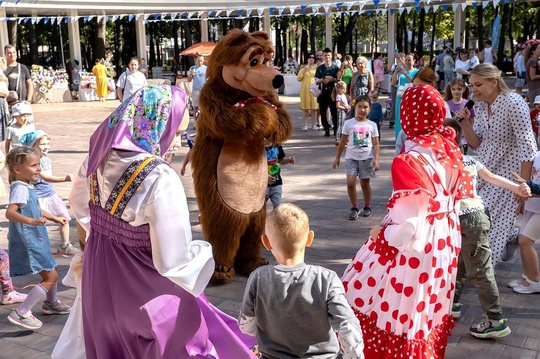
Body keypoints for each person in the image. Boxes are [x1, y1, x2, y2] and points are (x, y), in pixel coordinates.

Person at [68, 84, 256, 358]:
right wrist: (206, 254)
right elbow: (174, 261)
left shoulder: (98, 157)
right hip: (147, 292)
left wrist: (109, 235)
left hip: (100, 282)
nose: (178, 142)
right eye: (177, 133)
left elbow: (79, 204)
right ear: (153, 123)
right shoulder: (159, 177)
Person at [342, 84, 471, 358]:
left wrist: (381, 235)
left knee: (392, 305)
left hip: (416, 246)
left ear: (408, 116)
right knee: (425, 310)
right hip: (444, 241)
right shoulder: (449, 150)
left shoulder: (410, 160)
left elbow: (409, 226)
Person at [238, 203, 365, 359]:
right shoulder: (326, 278)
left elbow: (246, 326)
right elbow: (348, 326)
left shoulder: (258, 278)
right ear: (309, 238)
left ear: (266, 242)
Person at [445, 118, 528, 338]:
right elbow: (492, 178)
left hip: (468, 219)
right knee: (461, 263)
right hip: (474, 218)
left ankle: (496, 321)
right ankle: (451, 304)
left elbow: (492, 178)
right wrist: (518, 188)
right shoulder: (468, 161)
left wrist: (520, 188)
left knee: (479, 271)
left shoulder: (443, 163)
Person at [458, 63, 537, 266]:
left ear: (494, 82)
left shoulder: (514, 102)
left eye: (478, 84)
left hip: (508, 173)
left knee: (491, 224)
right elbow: (477, 144)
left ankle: (482, 274)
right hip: (484, 170)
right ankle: (509, 237)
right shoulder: (482, 106)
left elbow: (527, 145)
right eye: (472, 84)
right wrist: (466, 124)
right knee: (475, 217)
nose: (473, 89)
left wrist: (522, 183)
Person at [5, 146, 71, 330]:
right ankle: (22, 312)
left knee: (52, 268)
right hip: (30, 239)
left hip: (36, 237)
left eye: (39, 165)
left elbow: (34, 207)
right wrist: (31, 221)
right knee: (51, 276)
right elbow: (10, 213)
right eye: (34, 165)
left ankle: (51, 303)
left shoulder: (26, 186)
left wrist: (54, 217)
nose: (39, 169)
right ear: (18, 170)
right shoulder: (20, 188)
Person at [20, 130, 80, 255]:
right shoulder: (33, 161)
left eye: (48, 143)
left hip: (51, 194)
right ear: (32, 146)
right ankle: (32, 246)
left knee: (64, 218)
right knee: (37, 223)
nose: (46, 146)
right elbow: (46, 177)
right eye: (42, 144)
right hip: (39, 197)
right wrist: (65, 178)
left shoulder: (46, 159)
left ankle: (65, 245)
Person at [333, 95, 379, 219]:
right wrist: (337, 157)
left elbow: (376, 144)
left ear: (369, 109)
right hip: (351, 158)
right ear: (355, 107)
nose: (362, 110)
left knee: (365, 184)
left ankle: (367, 206)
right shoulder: (349, 123)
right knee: (350, 183)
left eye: (365, 107)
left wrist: (376, 159)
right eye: (359, 107)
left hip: (367, 158)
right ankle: (354, 207)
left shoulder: (372, 125)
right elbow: (342, 142)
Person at [508, 142, 540, 294]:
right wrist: (523, 200)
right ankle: (527, 276)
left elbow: (532, 185)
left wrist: (528, 187)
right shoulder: (537, 155)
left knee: (525, 241)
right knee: (522, 239)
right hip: (532, 205)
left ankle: (535, 280)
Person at [444, 78, 476, 154]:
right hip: (451, 137)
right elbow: (445, 122)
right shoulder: (446, 104)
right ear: (450, 89)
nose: (456, 91)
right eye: (453, 89)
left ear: (464, 89)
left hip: (464, 138)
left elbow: (472, 121)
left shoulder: (468, 104)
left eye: (459, 89)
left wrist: (471, 134)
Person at [315, 48, 341, 137]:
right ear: (323, 56)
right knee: (323, 112)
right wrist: (323, 80)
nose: (327, 57)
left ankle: (336, 128)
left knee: (334, 112)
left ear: (331, 56)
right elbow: (316, 80)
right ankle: (326, 128)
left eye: (329, 55)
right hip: (322, 93)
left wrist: (332, 79)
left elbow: (339, 80)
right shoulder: (320, 68)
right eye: (325, 55)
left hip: (333, 92)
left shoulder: (335, 67)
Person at [391, 53, 418, 138]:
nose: (407, 62)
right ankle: (399, 138)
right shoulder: (401, 71)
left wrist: (406, 74)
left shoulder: (416, 71)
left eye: (409, 60)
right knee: (400, 116)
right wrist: (396, 72)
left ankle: (410, 136)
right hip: (401, 97)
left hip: (412, 96)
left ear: (414, 61)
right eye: (406, 60)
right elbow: (393, 82)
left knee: (410, 116)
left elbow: (415, 82)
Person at [265, 141, 295, 210]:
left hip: (277, 183)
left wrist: (288, 160)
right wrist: (265, 177)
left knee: (278, 208)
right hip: (263, 185)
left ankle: (277, 220)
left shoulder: (277, 145)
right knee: (260, 210)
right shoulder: (259, 148)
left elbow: (280, 160)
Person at [297, 53, 319, 131]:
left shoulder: (316, 67)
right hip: (305, 90)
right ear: (307, 59)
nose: (311, 59)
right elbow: (299, 78)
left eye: (313, 58)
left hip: (313, 89)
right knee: (305, 108)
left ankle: (314, 124)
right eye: (310, 58)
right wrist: (304, 70)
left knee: (314, 108)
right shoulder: (303, 68)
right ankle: (305, 125)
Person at [187, 55, 207, 119]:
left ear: (203, 61)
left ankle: (203, 122)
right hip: (195, 89)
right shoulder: (192, 68)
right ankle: (196, 123)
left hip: (204, 90)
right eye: (198, 61)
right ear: (196, 61)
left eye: (201, 61)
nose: (199, 62)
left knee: (203, 107)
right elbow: (189, 80)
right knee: (195, 107)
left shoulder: (206, 68)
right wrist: (191, 74)